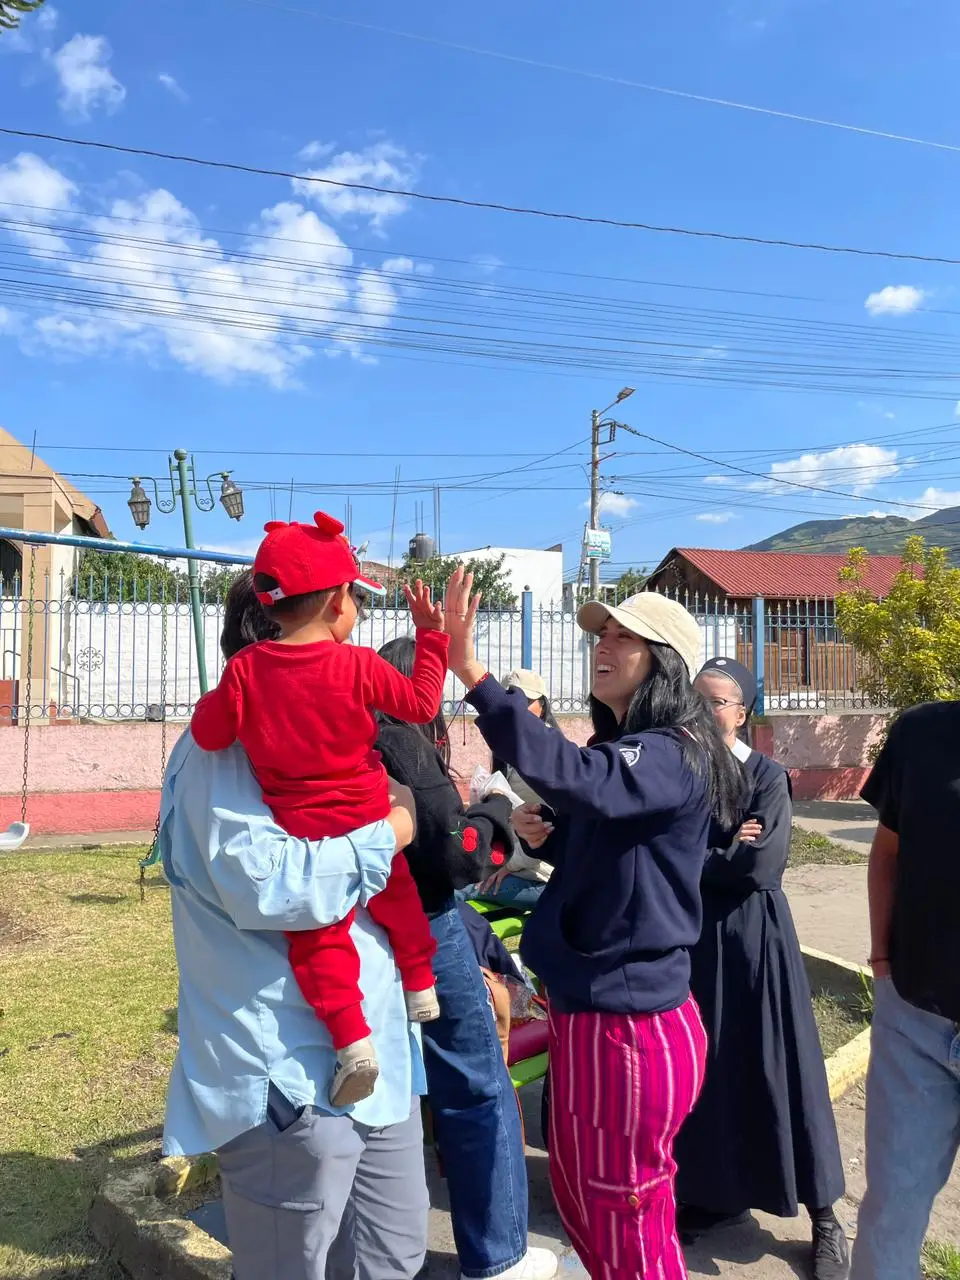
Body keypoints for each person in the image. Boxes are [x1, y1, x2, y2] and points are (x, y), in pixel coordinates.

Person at [447, 573, 747, 1280]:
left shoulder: (671, 748)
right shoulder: (642, 751)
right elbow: (630, 853)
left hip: (629, 1027)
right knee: (593, 1208)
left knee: (625, 1220)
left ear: (663, 662)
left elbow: (581, 777)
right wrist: (555, 837)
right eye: (600, 634)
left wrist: (474, 675)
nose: (602, 646)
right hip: (600, 1015)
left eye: (622, 637)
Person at [161, 570, 430, 1280]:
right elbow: (273, 888)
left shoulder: (312, 737)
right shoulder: (226, 750)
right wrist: (395, 830)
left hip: (374, 1063)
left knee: (392, 1256)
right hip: (292, 1080)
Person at [191, 511, 448, 1106]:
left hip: (303, 831)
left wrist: (223, 697)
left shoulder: (246, 672)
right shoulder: (358, 664)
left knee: (318, 939)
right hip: (369, 816)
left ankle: (352, 1042)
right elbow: (420, 703)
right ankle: (420, 984)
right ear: (338, 602)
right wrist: (431, 638)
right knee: (398, 895)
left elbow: (209, 734)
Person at [375, 635, 559, 1280]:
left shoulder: (331, 737)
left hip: (364, 929)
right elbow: (457, 855)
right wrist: (496, 811)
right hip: (425, 923)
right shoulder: (401, 743)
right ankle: (498, 1254)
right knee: (477, 1082)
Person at [674, 657, 849, 1280]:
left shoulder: (766, 775)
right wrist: (720, 847)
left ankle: (825, 1217)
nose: (704, 711)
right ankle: (713, 1197)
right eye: (696, 698)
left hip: (755, 943)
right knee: (709, 1068)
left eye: (717, 701)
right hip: (696, 942)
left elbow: (758, 867)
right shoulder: (683, 770)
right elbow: (671, 852)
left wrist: (703, 853)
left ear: (743, 712)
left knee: (782, 1067)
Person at [850, 702, 960, 1280]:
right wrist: (882, 961)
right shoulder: (922, 734)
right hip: (915, 1018)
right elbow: (888, 852)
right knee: (891, 1212)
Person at [466, 669, 559, 910]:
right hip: (510, 863)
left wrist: (509, 866)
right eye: (510, 700)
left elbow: (547, 830)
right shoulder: (508, 748)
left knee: (457, 891)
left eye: (526, 701)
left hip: (540, 876)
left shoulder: (548, 754)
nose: (517, 708)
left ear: (543, 706)